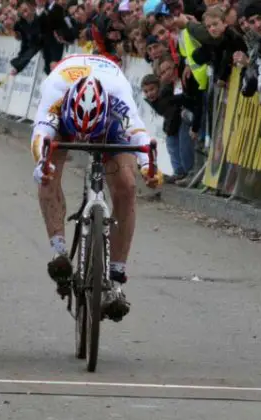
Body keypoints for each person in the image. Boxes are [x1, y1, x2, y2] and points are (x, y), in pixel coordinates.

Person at [30, 54, 164, 322]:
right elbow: (40, 137)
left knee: (126, 187)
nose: (83, 139)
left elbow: (139, 135)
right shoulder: (55, 96)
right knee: (49, 174)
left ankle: (116, 280)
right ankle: (58, 252)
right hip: (67, 96)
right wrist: (43, 164)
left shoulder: (119, 96)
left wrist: (150, 168)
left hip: (108, 122)